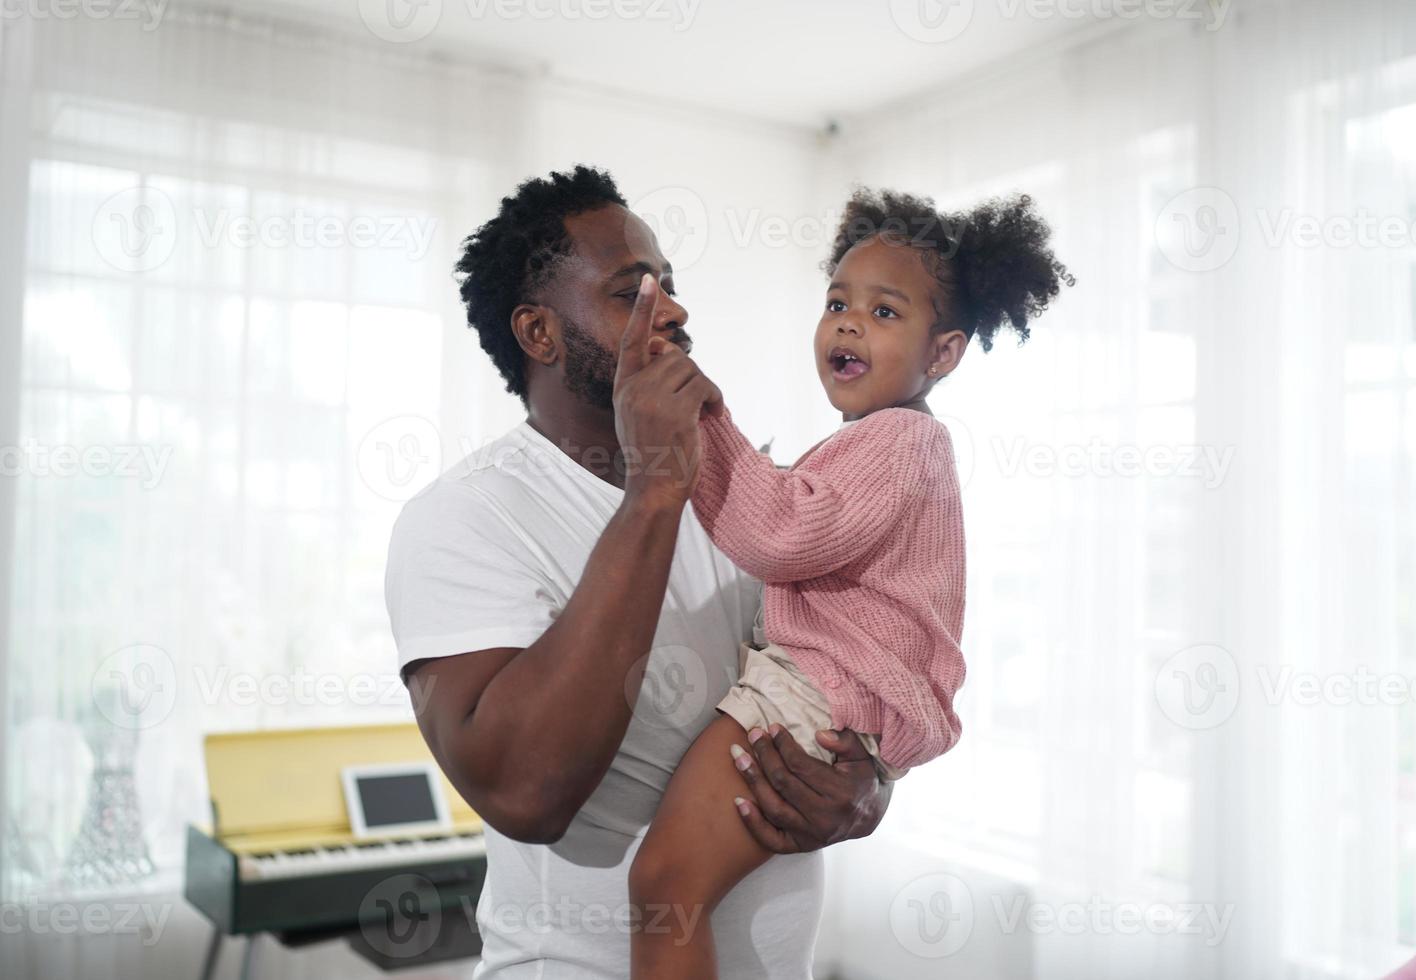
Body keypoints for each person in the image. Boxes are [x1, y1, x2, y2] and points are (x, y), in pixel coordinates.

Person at [385, 165, 891, 979]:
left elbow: (837, 673)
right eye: (633, 291)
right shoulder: (466, 518)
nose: (676, 309)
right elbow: (525, 792)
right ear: (539, 334)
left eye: (672, 286)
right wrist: (656, 488)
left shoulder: (751, 497)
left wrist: (867, 793)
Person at [627, 187, 1073, 978]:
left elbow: (778, 532)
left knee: (665, 887)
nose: (848, 320)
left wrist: (695, 406)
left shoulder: (900, 440)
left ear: (943, 355)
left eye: (885, 311)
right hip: (824, 698)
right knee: (672, 889)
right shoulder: (881, 444)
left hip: (811, 696)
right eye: (837, 301)